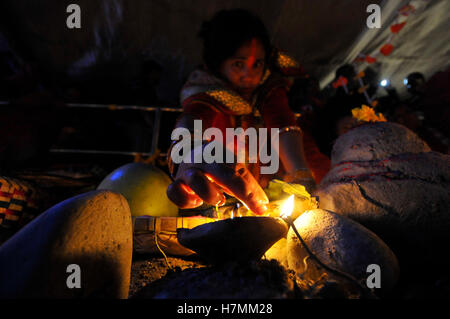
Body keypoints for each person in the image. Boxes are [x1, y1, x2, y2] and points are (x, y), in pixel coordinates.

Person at [166, 9, 327, 216]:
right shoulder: (206, 92)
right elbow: (193, 118)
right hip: (222, 196)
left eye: (256, 64)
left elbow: (281, 121)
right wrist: (186, 151)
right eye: (238, 64)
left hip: (270, 188)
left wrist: (301, 176)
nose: (248, 75)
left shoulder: (269, 89)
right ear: (217, 64)